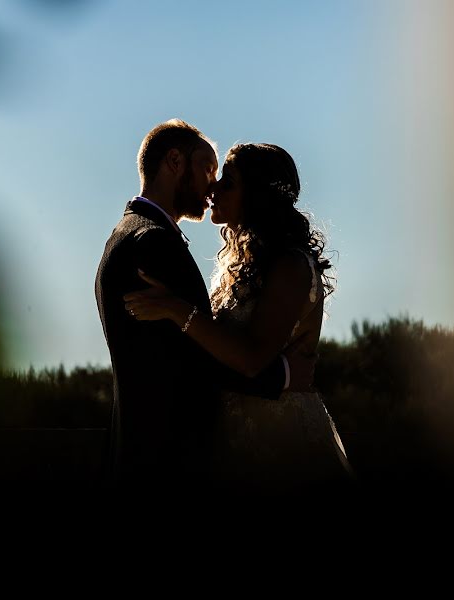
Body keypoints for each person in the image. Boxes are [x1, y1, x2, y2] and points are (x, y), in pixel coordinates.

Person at [123, 142, 354, 495]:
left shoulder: (290, 265)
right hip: (230, 445)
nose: (213, 188)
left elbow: (250, 359)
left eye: (227, 181)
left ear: (257, 195)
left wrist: (176, 309)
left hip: (281, 449)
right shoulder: (239, 265)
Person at [95, 120, 310, 489]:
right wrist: (285, 376)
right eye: (208, 169)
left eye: (222, 176)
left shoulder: (128, 235)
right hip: (169, 462)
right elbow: (195, 360)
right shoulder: (152, 243)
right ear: (175, 161)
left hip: (156, 457)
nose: (212, 184)